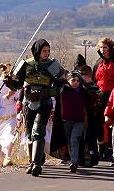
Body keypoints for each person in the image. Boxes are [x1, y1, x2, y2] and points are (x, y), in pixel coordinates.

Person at [4, 38, 68, 177]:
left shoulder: (52, 65)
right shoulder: (26, 64)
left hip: (44, 103)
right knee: (29, 133)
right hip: (28, 103)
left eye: (48, 51)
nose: (46, 53)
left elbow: (61, 85)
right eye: (44, 51)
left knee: (38, 131)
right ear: (37, 51)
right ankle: (31, 162)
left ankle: (37, 164)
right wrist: (8, 81)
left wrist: (47, 92)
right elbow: (17, 85)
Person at [92, 38, 114, 160]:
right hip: (100, 96)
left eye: (105, 47)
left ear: (110, 48)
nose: (103, 50)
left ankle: (111, 150)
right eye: (101, 47)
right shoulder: (97, 62)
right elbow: (94, 81)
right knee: (99, 123)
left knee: (112, 123)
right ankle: (101, 149)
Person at [59, 71, 88, 173]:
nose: (75, 82)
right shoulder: (64, 90)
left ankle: (74, 162)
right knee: (69, 141)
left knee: (74, 140)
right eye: (73, 80)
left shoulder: (82, 91)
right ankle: (72, 159)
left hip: (79, 121)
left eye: (77, 81)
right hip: (66, 120)